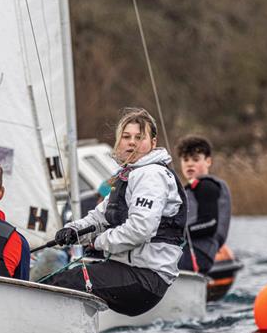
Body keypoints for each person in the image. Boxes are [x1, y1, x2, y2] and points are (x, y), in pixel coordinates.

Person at [50, 108, 186, 317]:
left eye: (139, 137)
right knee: (62, 279)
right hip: (128, 270)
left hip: (145, 277)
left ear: (153, 143)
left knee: (63, 283)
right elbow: (98, 218)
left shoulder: (151, 175)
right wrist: (72, 231)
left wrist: (98, 242)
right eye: (126, 137)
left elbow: (141, 229)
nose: (132, 142)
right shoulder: (127, 176)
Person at [176, 135, 231, 274]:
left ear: (208, 161)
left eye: (195, 159)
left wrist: (176, 233)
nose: (189, 164)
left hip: (198, 253)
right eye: (185, 159)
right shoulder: (190, 189)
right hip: (192, 252)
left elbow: (210, 223)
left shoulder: (207, 186)